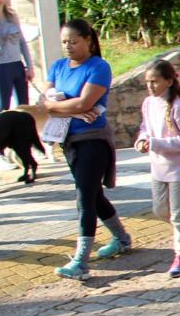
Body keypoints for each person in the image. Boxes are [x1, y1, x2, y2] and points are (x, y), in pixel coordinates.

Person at [44, 18, 128, 278]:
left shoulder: (99, 67)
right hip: (69, 141)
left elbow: (84, 103)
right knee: (93, 195)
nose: (68, 46)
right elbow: (44, 98)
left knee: (84, 197)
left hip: (93, 141)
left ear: (88, 40)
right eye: (64, 42)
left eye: (73, 41)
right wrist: (62, 105)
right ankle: (122, 238)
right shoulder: (58, 66)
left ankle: (81, 261)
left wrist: (60, 105)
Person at [134, 59, 180, 278]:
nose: (151, 86)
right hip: (158, 166)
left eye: (155, 81)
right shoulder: (149, 103)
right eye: (147, 82)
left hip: (178, 169)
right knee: (161, 210)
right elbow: (145, 128)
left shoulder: (179, 107)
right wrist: (142, 140)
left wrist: (156, 143)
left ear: (169, 81)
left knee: (177, 213)